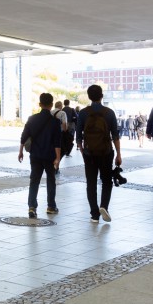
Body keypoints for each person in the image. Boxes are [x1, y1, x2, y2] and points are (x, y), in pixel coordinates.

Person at [76, 84, 122, 223]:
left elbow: (78, 137)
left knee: (91, 183)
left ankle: (94, 215)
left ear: (89, 97)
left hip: (89, 153)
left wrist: (84, 152)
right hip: (106, 152)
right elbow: (115, 135)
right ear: (102, 96)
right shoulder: (109, 112)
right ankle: (104, 206)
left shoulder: (83, 113)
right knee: (107, 181)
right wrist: (118, 154)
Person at [18, 93, 63, 217]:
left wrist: (21, 151)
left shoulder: (32, 118)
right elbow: (57, 142)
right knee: (51, 179)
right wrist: (58, 158)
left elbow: (24, 136)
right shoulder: (55, 122)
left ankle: (32, 207)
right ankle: (51, 206)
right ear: (51, 104)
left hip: (35, 155)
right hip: (49, 156)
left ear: (40, 104)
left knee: (34, 180)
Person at [52, 100, 68, 172]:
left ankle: (52, 164)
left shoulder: (50, 112)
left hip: (51, 134)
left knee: (52, 150)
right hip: (59, 133)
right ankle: (56, 166)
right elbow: (64, 123)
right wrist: (65, 130)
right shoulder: (62, 113)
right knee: (61, 150)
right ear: (61, 106)